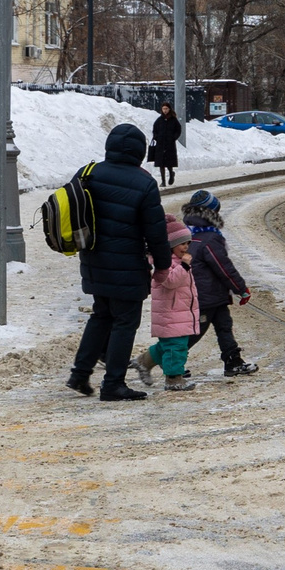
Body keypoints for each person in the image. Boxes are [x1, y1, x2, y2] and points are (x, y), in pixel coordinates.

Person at [65, 123, 172, 401]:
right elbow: (156, 232)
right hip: (127, 266)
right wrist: (162, 264)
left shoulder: (88, 172)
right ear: (140, 151)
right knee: (124, 322)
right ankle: (113, 384)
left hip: (93, 260)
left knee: (101, 314)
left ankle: (79, 374)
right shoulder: (144, 183)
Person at [181, 189, 258, 376]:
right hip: (207, 297)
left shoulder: (188, 234)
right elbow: (224, 268)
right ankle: (170, 362)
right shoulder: (210, 238)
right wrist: (241, 289)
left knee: (224, 326)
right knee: (195, 331)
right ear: (211, 214)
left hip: (210, 295)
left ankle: (233, 360)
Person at [132, 218, 203, 393]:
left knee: (168, 345)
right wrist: (184, 266)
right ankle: (174, 379)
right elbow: (170, 281)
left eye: (187, 243)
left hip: (179, 313)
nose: (186, 247)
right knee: (176, 348)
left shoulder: (177, 261)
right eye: (181, 244)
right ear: (170, 244)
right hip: (170, 314)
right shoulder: (164, 261)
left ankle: (144, 362)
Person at [149, 102, 183, 188]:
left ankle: (171, 173)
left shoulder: (174, 120)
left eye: (166, 109)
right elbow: (155, 130)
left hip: (170, 145)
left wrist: (173, 138)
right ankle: (163, 181)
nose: (165, 111)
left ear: (169, 109)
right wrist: (156, 137)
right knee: (161, 164)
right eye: (163, 109)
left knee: (169, 163)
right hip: (160, 145)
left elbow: (178, 130)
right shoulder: (159, 120)